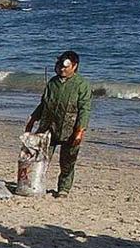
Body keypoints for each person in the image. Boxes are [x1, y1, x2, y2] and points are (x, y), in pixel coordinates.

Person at [26, 50, 92, 197]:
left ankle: (63, 189)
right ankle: (36, 185)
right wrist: (32, 119)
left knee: (68, 161)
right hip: (49, 126)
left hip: (70, 128)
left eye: (65, 66)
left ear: (74, 66)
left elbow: (85, 109)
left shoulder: (82, 85)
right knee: (41, 158)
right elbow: (43, 104)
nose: (62, 69)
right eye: (60, 66)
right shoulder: (52, 82)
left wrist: (80, 130)